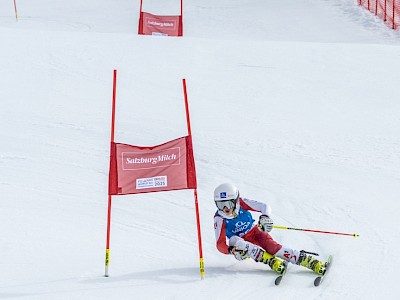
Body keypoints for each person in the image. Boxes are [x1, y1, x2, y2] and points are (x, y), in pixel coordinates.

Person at [213, 183, 327, 275]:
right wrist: (231, 250)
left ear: (235, 201)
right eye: (220, 205)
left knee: (273, 247)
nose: (225, 208)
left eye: (228, 203)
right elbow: (220, 244)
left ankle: (309, 261)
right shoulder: (219, 218)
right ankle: (270, 261)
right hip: (241, 243)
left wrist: (265, 217)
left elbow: (264, 207)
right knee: (234, 240)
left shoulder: (241, 203)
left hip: (255, 232)